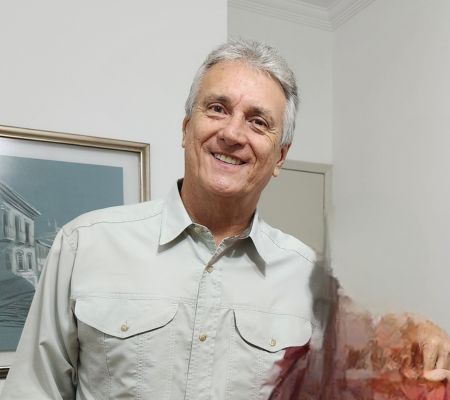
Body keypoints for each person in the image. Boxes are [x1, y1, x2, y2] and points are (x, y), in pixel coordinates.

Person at [2, 39, 449, 400]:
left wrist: (418, 338)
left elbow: (364, 368)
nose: (233, 134)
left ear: (280, 156)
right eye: (217, 108)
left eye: (258, 122)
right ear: (186, 128)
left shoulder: (312, 281)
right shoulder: (84, 244)